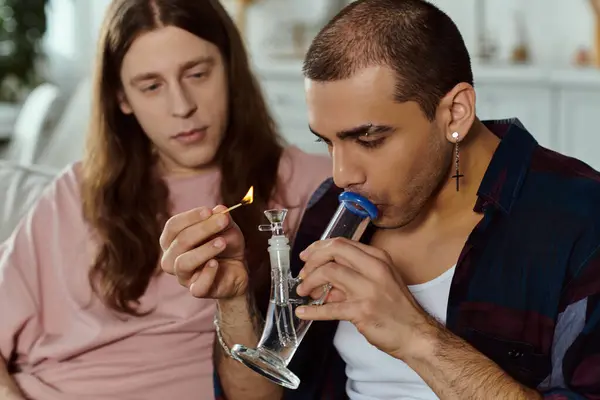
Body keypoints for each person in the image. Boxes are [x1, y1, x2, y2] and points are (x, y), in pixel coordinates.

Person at [160, 0, 600, 399]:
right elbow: (262, 397)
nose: (342, 175)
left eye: (369, 138)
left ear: (456, 112)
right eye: (328, 142)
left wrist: (416, 336)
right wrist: (234, 300)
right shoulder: (331, 209)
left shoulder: (580, 219)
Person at [0, 0, 331, 399]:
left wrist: (233, 297)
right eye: (151, 86)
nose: (182, 106)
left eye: (197, 73)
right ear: (122, 98)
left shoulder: (317, 188)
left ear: (231, 69)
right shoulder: (74, 193)